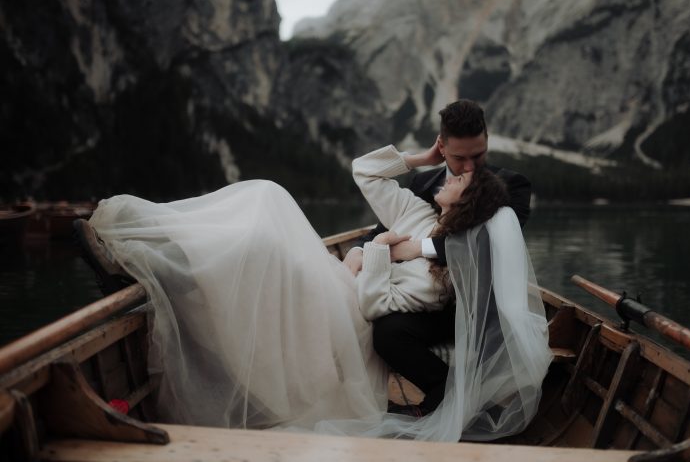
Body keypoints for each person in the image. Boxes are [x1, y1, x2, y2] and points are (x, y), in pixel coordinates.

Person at [74, 138, 550, 441]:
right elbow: (365, 171)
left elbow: (373, 306)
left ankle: (156, 268)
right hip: (338, 280)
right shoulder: (419, 214)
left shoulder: (438, 278)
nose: (450, 174)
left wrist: (376, 251)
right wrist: (418, 158)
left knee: (266, 250)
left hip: (348, 310)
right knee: (266, 197)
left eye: (461, 177)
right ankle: (145, 252)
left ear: (466, 201)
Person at [344, 99, 533, 416]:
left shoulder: (508, 186)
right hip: (420, 297)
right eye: (460, 158)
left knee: (381, 326)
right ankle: (438, 393)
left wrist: (418, 248)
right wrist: (360, 247)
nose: (470, 167)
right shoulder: (423, 183)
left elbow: (489, 244)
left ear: (486, 141)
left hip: (473, 308)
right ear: (442, 147)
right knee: (369, 323)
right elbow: (387, 224)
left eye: (479, 155)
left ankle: (445, 398)